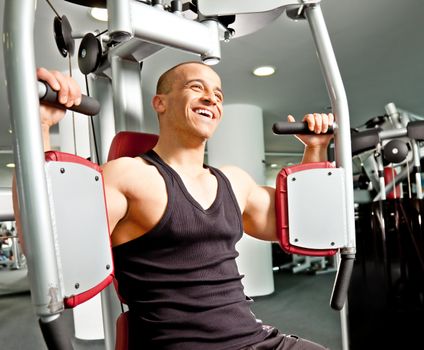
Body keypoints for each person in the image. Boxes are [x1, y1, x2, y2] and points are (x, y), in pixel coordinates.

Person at [23, 62, 334, 349]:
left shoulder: (234, 182)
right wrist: (37, 125)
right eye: (196, 87)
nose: (211, 98)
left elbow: (297, 227)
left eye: (218, 94)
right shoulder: (129, 175)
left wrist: (316, 150)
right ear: (160, 102)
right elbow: (51, 249)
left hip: (254, 339)